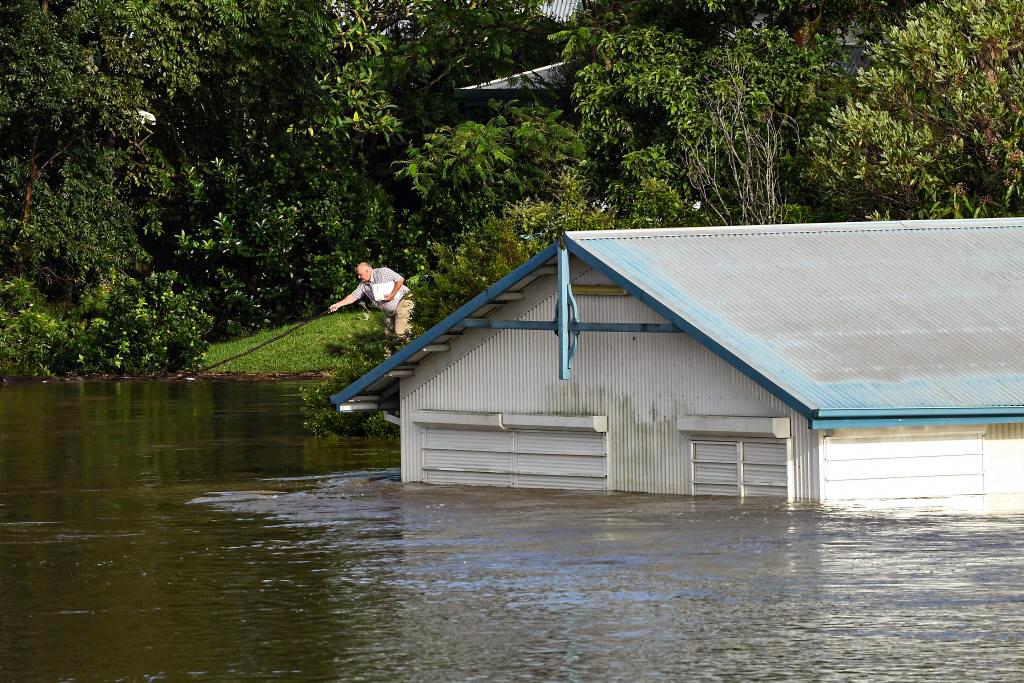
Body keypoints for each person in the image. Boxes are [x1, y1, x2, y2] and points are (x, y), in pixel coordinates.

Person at [328, 262, 414, 337]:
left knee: (400, 333)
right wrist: (337, 305)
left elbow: (400, 279)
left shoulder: (383, 272)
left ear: (368, 271)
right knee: (389, 339)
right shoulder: (363, 285)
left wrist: (392, 294)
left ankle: (412, 353)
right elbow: (353, 297)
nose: (358, 277)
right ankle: (394, 355)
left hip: (403, 301)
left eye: (360, 274)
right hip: (389, 312)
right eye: (357, 274)